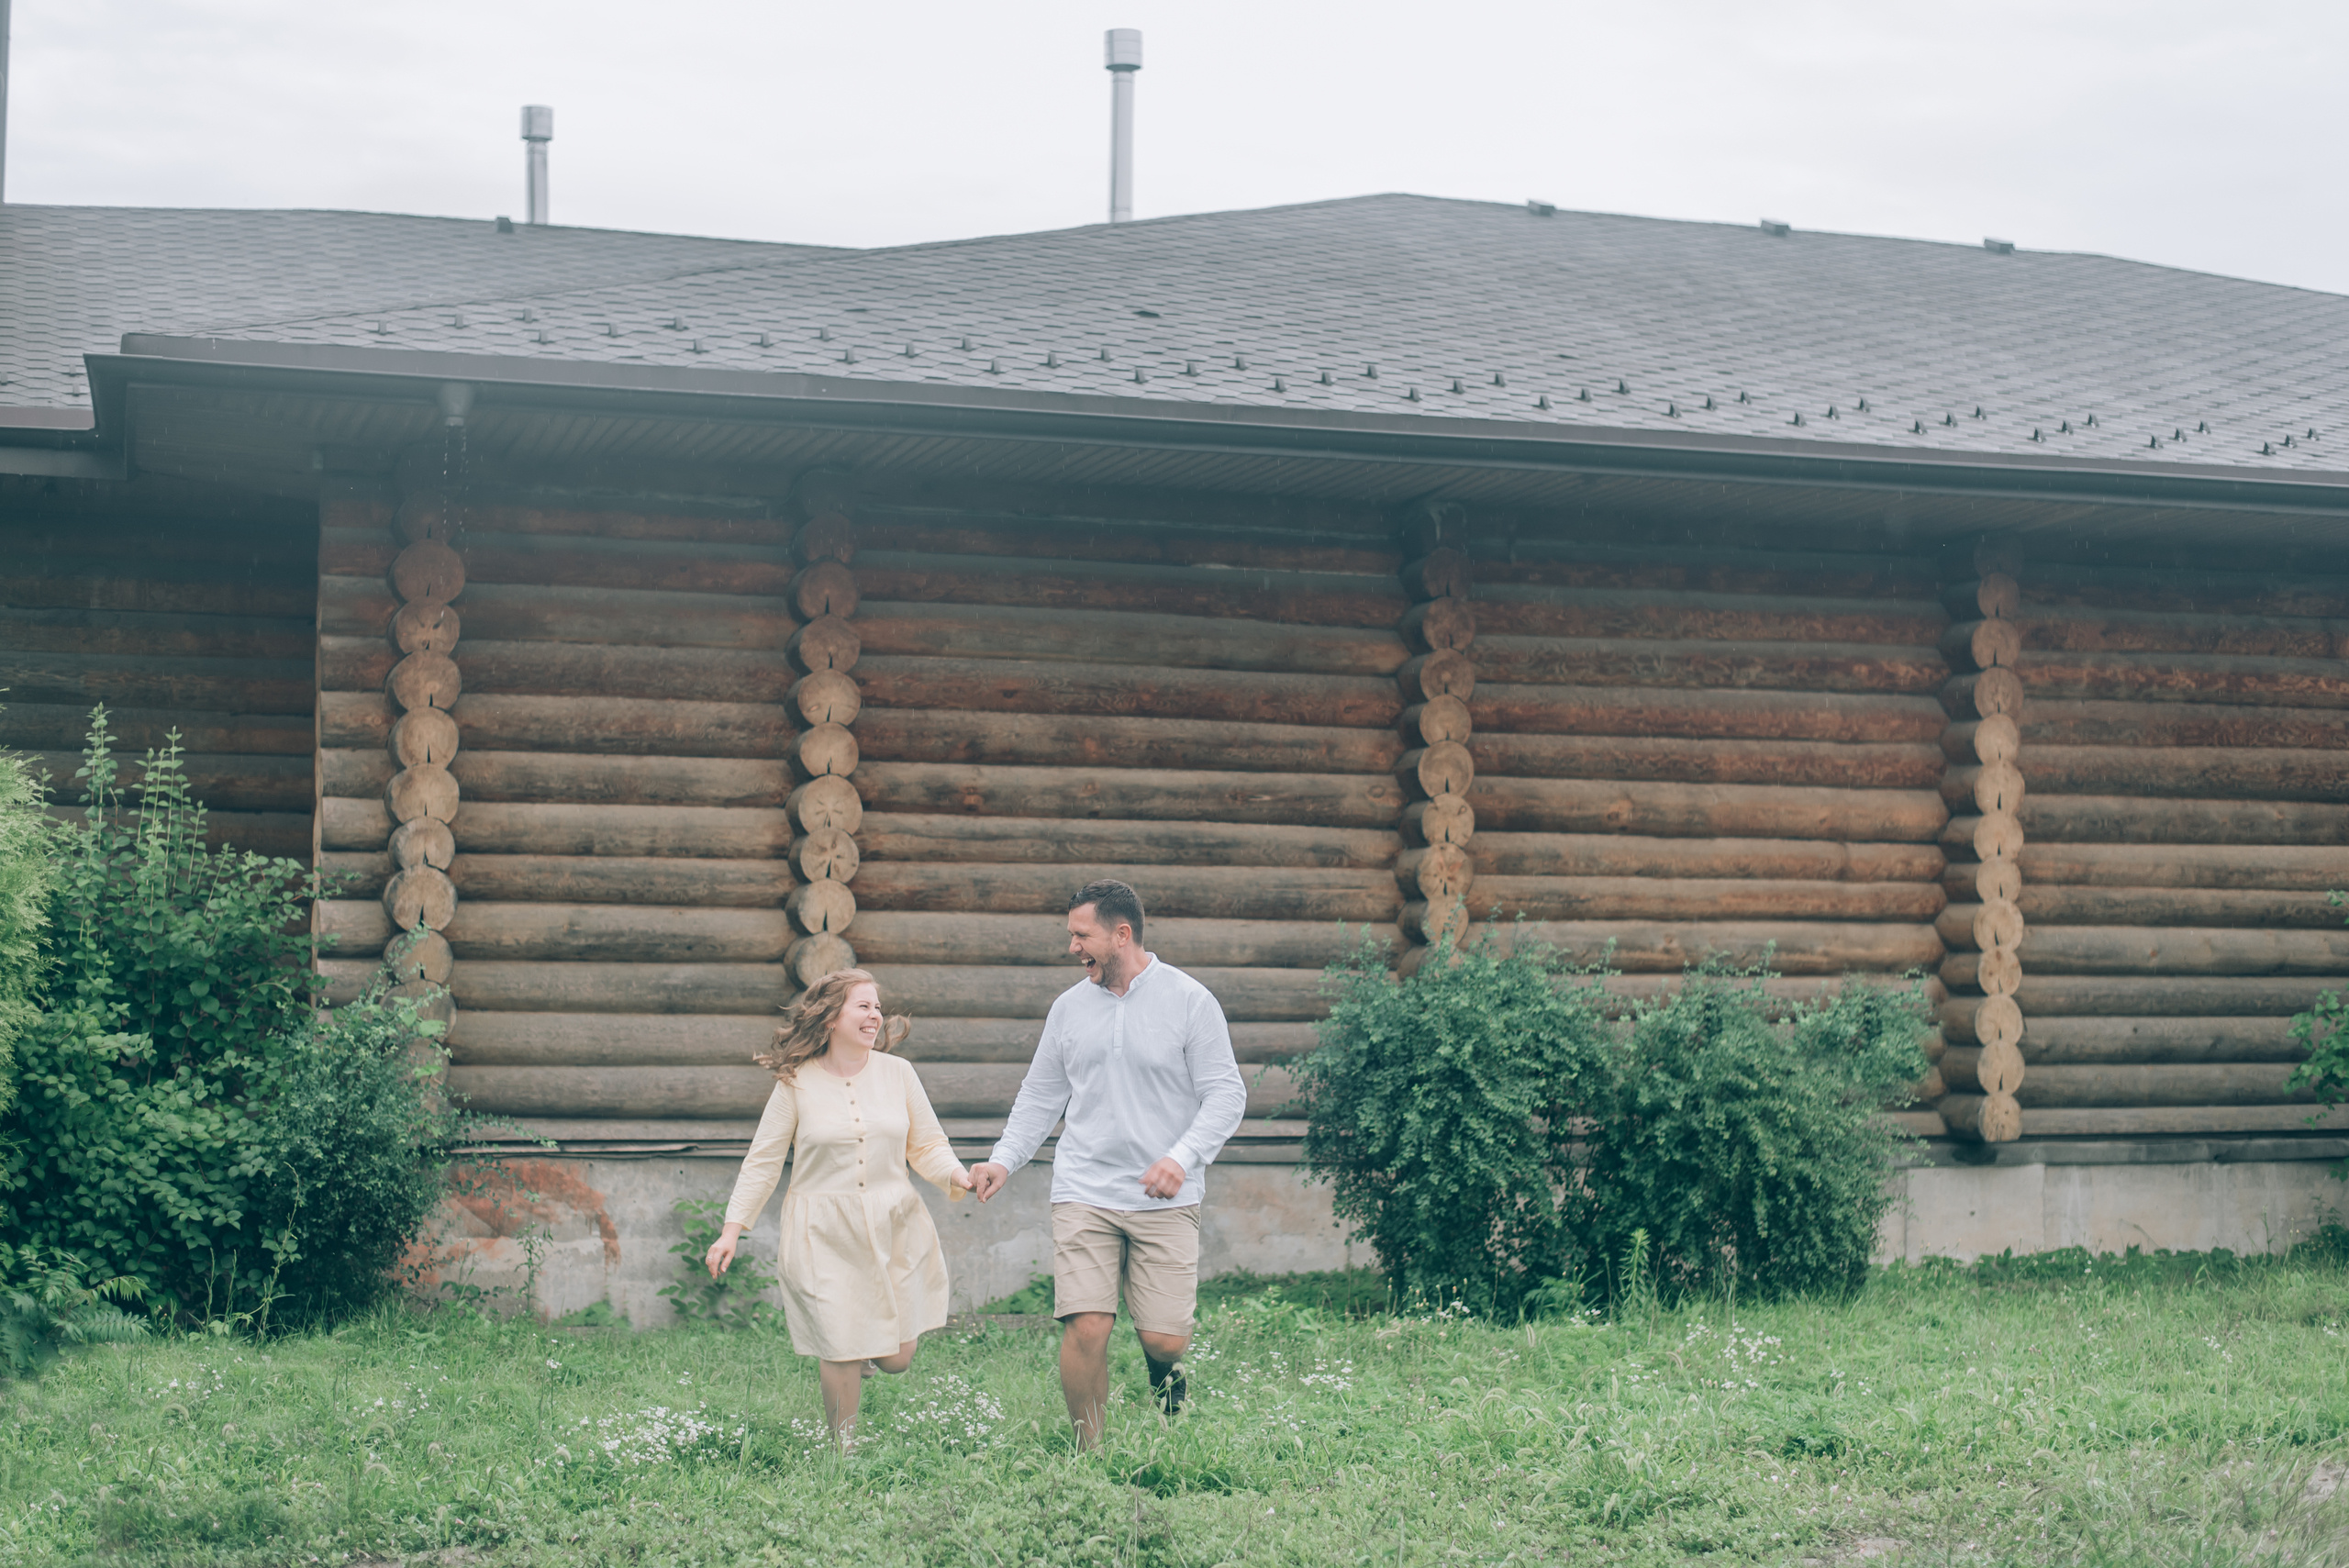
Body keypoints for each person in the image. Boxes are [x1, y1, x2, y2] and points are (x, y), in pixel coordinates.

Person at [969, 879, 1247, 1447]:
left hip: (1165, 1194)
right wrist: (1004, 1159)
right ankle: (1087, 1456)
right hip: (1084, 1188)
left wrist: (1182, 1156)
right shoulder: (1068, 1009)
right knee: (1088, 1326)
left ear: (1122, 934)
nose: (1072, 947)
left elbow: (1226, 1095)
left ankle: (1163, 1374)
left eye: (1081, 935)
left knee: (1165, 1341)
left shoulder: (1190, 1001)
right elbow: (1041, 1094)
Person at [705, 968, 974, 1446]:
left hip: (895, 1223)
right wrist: (732, 1229)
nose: (875, 1016)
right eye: (863, 1006)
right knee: (840, 1345)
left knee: (898, 1357)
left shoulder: (899, 1074)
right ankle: (841, 1452)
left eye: (877, 1007)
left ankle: (865, 1352)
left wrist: (958, 1175)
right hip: (823, 1231)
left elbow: (928, 1144)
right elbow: (763, 1161)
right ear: (830, 1018)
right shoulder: (796, 1082)